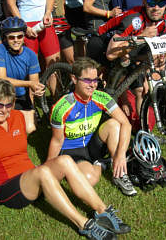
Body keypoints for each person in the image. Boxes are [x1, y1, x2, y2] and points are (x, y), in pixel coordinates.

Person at [0, 79, 131, 240]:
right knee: (43, 171)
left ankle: (102, 210)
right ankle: (84, 224)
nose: (5, 110)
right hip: (7, 187)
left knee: (64, 160)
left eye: (9, 104)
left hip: (31, 177)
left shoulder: (17, 117)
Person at [48, 57, 137, 196]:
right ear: (74, 79)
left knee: (115, 124)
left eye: (95, 80)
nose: (93, 85)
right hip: (71, 151)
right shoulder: (62, 107)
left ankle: (119, 173)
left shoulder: (101, 97)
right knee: (90, 179)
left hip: (91, 145)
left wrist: (120, 155)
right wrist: (48, 169)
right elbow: (57, 141)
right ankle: (100, 164)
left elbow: (126, 124)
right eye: (87, 80)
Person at [104, 0, 166, 117]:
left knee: (140, 88)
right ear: (144, 1)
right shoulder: (133, 19)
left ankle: (142, 126)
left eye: (161, 3)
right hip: (104, 41)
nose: (156, 7)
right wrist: (142, 36)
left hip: (132, 49)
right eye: (151, 2)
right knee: (108, 84)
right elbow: (110, 53)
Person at [0, 17, 44, 134]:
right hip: (3, 93)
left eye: (19, 36)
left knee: (30, 129)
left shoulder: (30, 55)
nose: (16, 40)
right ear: (5, 38)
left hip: (21, 96)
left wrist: (31, 106)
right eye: (11, 37)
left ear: (24, 36)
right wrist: (29, 84)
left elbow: (33, 85)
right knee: (3, 128)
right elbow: (2, 79)